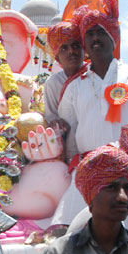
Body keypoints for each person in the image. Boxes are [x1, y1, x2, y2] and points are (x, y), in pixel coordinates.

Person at [52, 0, 128, 227]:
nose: (95, 39)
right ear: (84, 43)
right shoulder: (75, 86)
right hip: (88, 174)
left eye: (101, 33)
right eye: (90, 34)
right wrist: (70, 168)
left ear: (113, 37)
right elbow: (68, 132)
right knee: (73, 235)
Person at [44, 19, 85, 163]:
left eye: (75, 46)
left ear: (83, 50)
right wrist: (57, 123)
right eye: (64, 48)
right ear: (57, 58)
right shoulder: (53, 83)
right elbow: (50, 117)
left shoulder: (94, 76)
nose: (71, 51)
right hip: (70, 152)